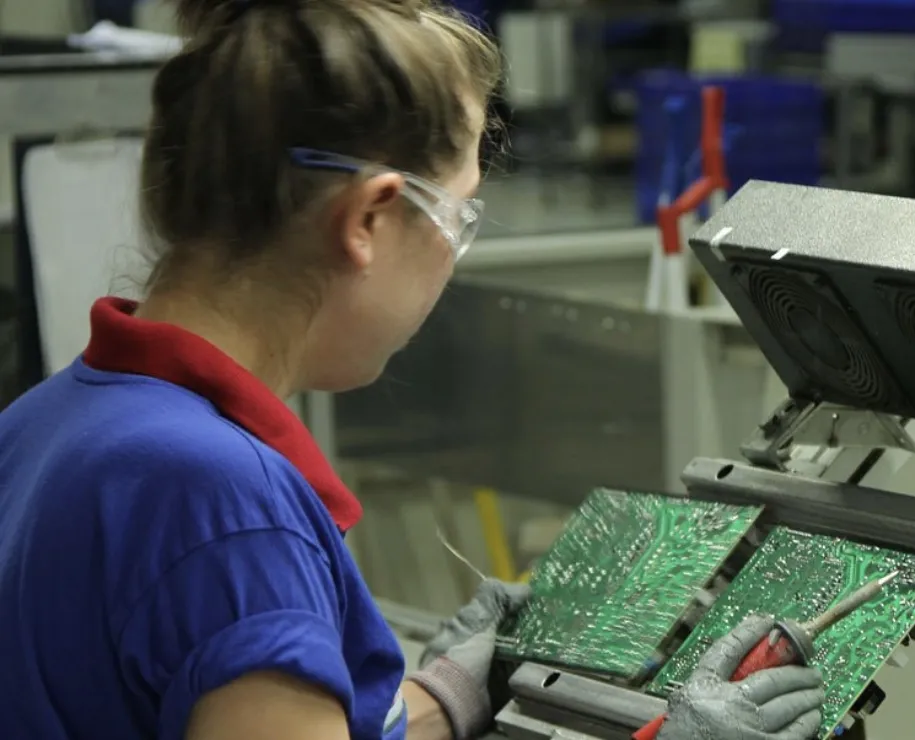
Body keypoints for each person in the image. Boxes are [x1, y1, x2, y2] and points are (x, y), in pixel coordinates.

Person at [0, 1, 826, 739]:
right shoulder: (228, 511)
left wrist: (438, 699)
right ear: (369, 217)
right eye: (459, 215)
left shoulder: (46, 424)